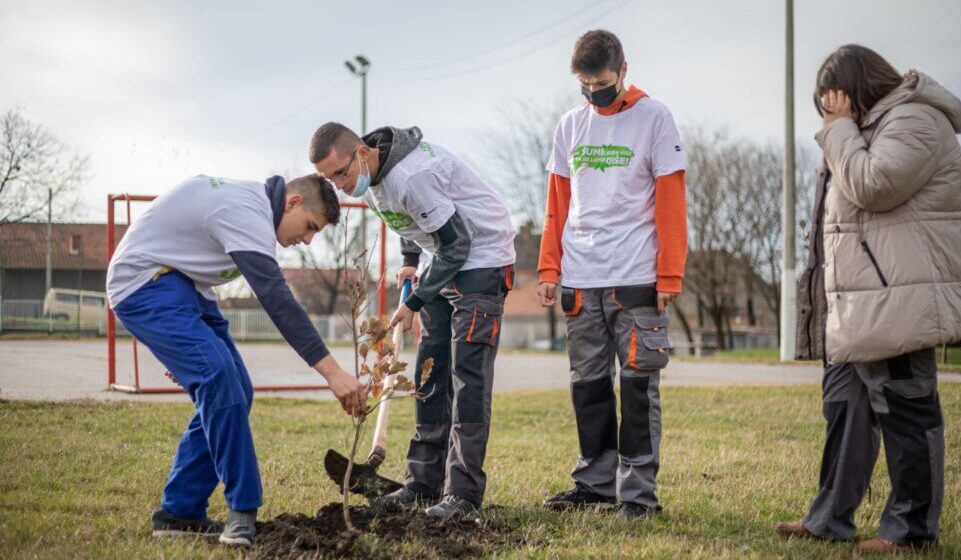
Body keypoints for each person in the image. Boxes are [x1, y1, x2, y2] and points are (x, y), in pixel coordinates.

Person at [781, 44, 961, 554]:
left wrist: (840, 131)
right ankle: (829, 519)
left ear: (855, 90)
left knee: (907, 413)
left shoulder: (918, 119)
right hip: (857, 304)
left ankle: (911, 531)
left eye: (831, 103)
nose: (827, 116)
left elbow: (874, 185)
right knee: (844, 411)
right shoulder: (862, 130)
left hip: (898, 300)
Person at [107, 174, 366, 546]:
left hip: (187, 286)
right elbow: (277, 300)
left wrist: (185, 351)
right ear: (292, 202)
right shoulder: (246, 211)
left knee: (236, 389)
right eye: (310, 226)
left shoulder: (253, 211)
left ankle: (179, 512)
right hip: (145, 282)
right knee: (219, 378)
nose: (307, 240)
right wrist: (333, 373)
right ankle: (242, 510)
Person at [310, 123, 516, 519]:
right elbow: (406, 218)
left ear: (363, 154)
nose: (338, 184)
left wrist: (418, 299)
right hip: (440, 258)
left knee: (467, 376)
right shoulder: (369, 182)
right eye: (328, 178)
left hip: (482, 255)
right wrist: (409, 263)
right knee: (430, 372)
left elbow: (458, 243)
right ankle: (422, 484)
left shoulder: (412, 175)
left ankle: (463, 494)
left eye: (341, 173)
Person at [535, 29, 688, 520]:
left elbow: (671, 203)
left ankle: (638, 497)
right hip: (580, 281)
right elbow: (557, 205)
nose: (593, 93)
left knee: (638, 388)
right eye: (584, 84)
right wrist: (549, 266)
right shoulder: (569, 126)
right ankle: (595, 485)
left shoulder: (655, 118)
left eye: (600, 82)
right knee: (589, 387)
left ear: (623, 69)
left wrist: (669, 277)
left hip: (635, 280)